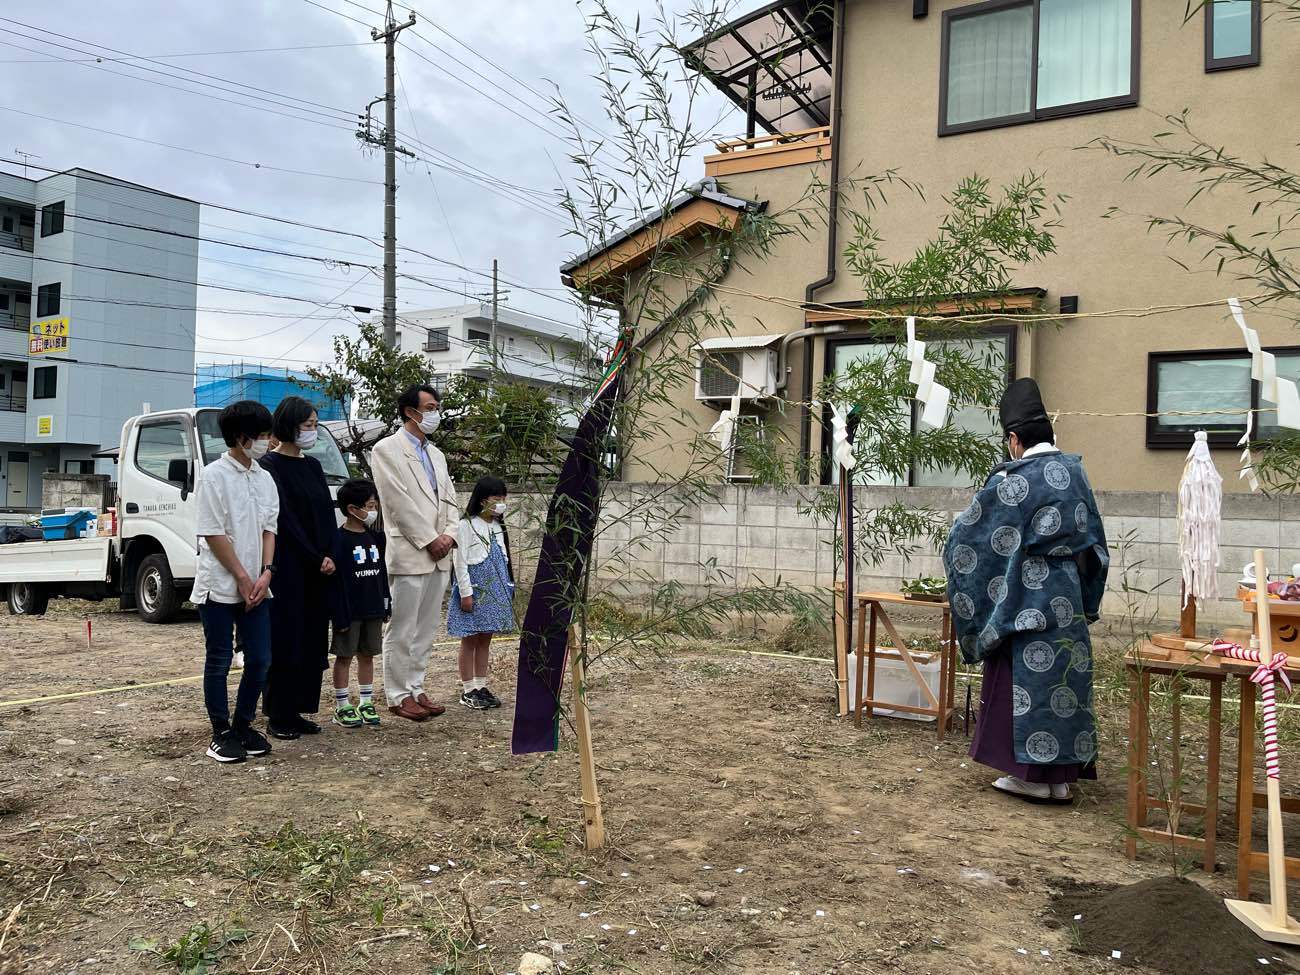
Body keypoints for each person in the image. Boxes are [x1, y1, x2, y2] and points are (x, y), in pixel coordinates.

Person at [944, 378, 1109, 804]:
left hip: (1025, 596)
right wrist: (1086, 600)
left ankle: (1030, 776)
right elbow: (1095, 543)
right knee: (1063, 682)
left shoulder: (1014, 480)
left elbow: (968, 540)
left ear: (1014, 438)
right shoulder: (1075, 470)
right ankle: (1060, 779)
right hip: (1067, 595)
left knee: (1025, 681)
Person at [192, 400, 280, 764]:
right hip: (219, 585)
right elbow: (213, 533)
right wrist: (243, 578)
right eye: (261, 436)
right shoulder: (214, 476)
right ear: (242, 437)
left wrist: (266, 572)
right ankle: (220, 732)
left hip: (258, 586)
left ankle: (243, 723)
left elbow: (269, 528)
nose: (267, 441)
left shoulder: (264, 477)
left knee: (260, 658)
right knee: (219, 659)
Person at [370, 384, 459, 722]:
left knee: (426, 627)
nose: (436, 413)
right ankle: (397, 693)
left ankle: (417, 686)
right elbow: (396, 501)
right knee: (403, 627)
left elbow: (450, 499)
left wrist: (449, 535)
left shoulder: (436, 454)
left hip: (441, 553)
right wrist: (429, 539)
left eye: (437, 406)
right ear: (411, 411)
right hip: (410, 549)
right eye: (431, 407)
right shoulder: (386, 450)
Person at [260, 396, 338, 740]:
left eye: (315, 424)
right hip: (290, 566)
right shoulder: (270, 466)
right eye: (308, 424)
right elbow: (284, 519)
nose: (313, 430)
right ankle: (279, 712)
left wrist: (330, 552)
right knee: (286, 638)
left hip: (319, 569)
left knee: (311, 639)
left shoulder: (313, 466)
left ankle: (300, 708)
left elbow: (325, 514)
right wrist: (312, 555)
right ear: (290, 425)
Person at [448, 475, 515, 710]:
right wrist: (466, 592)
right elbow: (460, 561)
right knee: (470, 639)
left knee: (485, 638)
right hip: (475, 590)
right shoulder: (465, 525)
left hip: (496, 589)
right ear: (482, 499)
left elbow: (504, 560)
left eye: (504, 497)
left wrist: (508, 588)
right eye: (497, 498)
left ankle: (481, 684)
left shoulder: (498, 526)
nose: (501, 502)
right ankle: (468, 689)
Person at [330, 478, 390, 729]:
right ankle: (342, 705)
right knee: (344, 656)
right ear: (352, 509)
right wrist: (339, 615)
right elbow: (335, 583)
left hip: (373, 608)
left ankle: (366, 700)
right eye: (369, 505)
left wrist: (386, 603)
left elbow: (382, 573)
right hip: (350, 612)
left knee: (368, 655)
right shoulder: (338, 540)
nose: (373, 511)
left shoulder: (376, 538)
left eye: (375, 504)